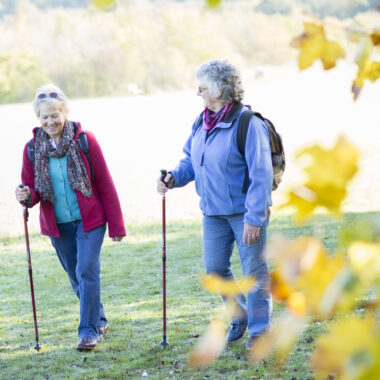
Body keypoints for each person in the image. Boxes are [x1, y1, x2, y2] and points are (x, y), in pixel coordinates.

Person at [156, 60, 273, 350]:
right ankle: (240, 315)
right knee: (215, 268)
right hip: (213, 213)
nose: (198, 93)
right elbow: (191, 160)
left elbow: (261, 174)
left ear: (220, 89)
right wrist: (173, 177)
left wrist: (254, 218)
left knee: (254, 273)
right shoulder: (202, 121)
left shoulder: (248, 123)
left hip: (245, 214)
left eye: (202, 87)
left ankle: (260, 333)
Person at [15, 84, 126, 351]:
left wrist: (117, 226)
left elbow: (105, 185)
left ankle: (88, 332)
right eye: (45, 117)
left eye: (55, 115)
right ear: (38, 118)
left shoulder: (85, 140)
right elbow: (33, 192)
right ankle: (98, 318)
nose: (50, 121)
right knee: (76, 278)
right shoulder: (32, 149)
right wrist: (25, 194)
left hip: (91, 221)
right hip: (58, 225)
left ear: (64, 112)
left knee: (86, 271)